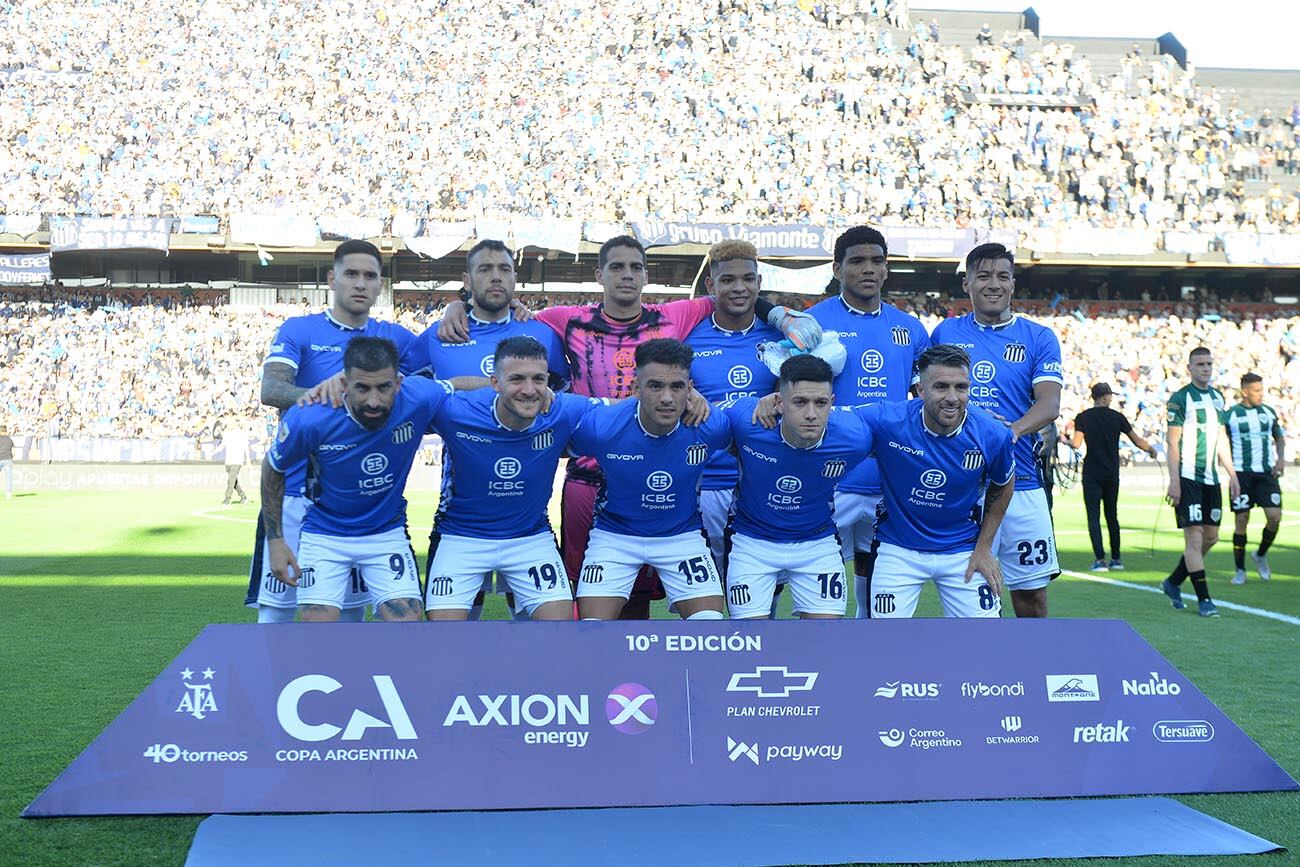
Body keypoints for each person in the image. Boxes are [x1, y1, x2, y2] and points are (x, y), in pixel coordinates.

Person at [437, 235, 821, 619]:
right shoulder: (565, 319)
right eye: (617, 267)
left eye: (636, 267)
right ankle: (587, 673)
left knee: (640, 601)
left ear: (646, 274)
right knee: (580, 603)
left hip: (656, 470)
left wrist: (780, 316)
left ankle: (636, 676)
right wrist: (459, 303)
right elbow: (505, 313)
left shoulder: (673, 316)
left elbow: (737, 293)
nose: (627, 275)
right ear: (599, 274)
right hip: (588, 478)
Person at [248, 239, 416, 623]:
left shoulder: (397, 339)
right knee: (276, 617)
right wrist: (323, 392)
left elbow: (435, 381)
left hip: (354, 506)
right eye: (351, 274)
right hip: (292, 496)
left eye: (370, 276)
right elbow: (271, 390)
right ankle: (271, 686)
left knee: (348, 621)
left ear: (380, 286)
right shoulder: (300, 331)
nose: (360, 283)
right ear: (331, 279)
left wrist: (459, 304)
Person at [406, 239, 569, 620]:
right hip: (461, 510)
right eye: (485, 269)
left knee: (542, 631)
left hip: (528, 516)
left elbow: (563, 398)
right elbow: (405, 394)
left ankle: (533, 683)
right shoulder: (438, 336)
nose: (496, 277)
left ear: (516, 278)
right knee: (453, 632)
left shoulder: (542, 335)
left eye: (504, 269)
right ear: (466, 279)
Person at [261, 337, 446, 622]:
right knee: (317, 630)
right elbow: (274, 467)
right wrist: (275, 540)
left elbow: (462, 386)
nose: (373, 400)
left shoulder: (419, 396)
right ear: (344, 384)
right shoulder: (309, 416)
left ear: (398, 383)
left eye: (383, 387)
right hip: (324, 535)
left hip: (386, 533)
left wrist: (525, 391)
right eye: (362, 388)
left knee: (407, 625)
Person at [420, 336, 600, 621]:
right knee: (444, 639)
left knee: (559, 636)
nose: (529, 390)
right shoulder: (457, 411)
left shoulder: (562, 409)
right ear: (494, 383)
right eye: (517, 379)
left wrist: (687, 400)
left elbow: (626, 409)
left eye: (538, 380)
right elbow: (401, 393)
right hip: (461, 537)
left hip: (530, 536)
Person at [931, 243, 1063, 618]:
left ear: (1012, 284)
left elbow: (1049, 404)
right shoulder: (945, 333)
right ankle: (983, 676)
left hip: (1021, 486)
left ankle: (1035, 672)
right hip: (965, 488)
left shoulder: (1039, 337)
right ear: (967, 283)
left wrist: (1012, 432)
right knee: (975, 601)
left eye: (1003, 276)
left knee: (1031, 598)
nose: (994, 284)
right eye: (984, 276)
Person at [806, 225, 930, 618]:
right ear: (837, 268)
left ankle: (867, 654)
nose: (868, 269)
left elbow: (922, 401)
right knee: (814, 574)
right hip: (831, 477)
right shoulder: (811, 323)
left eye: (877, 261)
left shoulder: (909, 328)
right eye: (857, 261)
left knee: (874, 574)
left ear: (887, 268)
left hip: (887, 479)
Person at [849, 344, 1016, 618]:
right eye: (941, 387)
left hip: (962, 548)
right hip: (898, 548)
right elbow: (829, 419)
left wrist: (984, 548)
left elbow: (1003, 484)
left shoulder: (992, 433)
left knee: (987, 642)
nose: (952, 397)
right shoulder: (888, 420)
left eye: (961, 387)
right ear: (921, 390)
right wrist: (774, 402)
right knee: (882, 642)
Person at [572, 339, 730, 620]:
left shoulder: (710, 425)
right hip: (615, 536)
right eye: (655, 386)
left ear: (690, 389)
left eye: (677, 387)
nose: (667, 398)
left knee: (710, 628)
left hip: (681, 535)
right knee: (591, 630)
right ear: (636, 389)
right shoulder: (602, 425)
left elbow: (749, 440)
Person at [724, 355, 872, 619]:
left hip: (817, 543)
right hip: (752, 543)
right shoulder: (748, 420)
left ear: (833, 405)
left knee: (824, 643)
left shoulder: (855, 437)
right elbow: (696, 415)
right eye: (800, 402)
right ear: (779, 401)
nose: (811, 414)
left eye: (821, 403)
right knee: (750, 642)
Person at [685, 240, 781, 574]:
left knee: (761, 591)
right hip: (705, 482)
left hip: (764, 482)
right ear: (711, 285)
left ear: (759, 282)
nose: (739, 288)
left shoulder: (782, 337)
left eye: (747, 278)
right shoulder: (690, 337)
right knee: (707, 590)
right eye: (728, 280)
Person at [1161, 347, 1241, 617]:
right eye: (1200, 364)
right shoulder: (1180, 398)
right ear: (1190, 368)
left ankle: (1173, 582)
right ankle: (1204, 600)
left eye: (1209, 363)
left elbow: (1221, 439)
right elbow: (1172, 441)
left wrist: (1232, 474)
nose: (1206, 368)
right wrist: (1175, 481)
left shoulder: (1218, 399)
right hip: (1188, 477)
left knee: (1212, 537)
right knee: (1194, 540)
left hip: (1211, 479)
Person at [1071, 382, 1157, 571]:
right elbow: (1137, 440)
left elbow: (1077, 443)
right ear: (1104, 397)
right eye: (1110, 395)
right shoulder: (1117, 417)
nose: (1111, 399)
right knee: (1112, 516)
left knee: (1093, 517)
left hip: (1092, 472)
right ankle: (1116, 559)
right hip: (1111, 473)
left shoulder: (1083, 417)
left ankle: (1100, 559)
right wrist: (1151, 450)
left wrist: (1065, 441)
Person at [1226, 373, 1286, 584]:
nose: (1261, 395)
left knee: (1274, 517)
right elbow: (1222, 444)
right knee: (1241, 520)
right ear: (1244, 392)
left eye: (1262, 390)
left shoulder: (1268, 413)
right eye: (1257, 391)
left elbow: (1279, 437)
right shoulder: (1231, 415)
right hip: (1241, 475)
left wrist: (1280, 460)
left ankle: (1260, 554)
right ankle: (1240, 570)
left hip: (1266, 474)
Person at [219, 418, 251, 505]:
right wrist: (214, 451)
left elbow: (246, 448)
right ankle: (243, 497)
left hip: (237, 460)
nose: (227, 426)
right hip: (228, 461)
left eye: (229, 424)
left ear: (234, 424)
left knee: (231, 480)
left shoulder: (242, 434)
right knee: (233, 481)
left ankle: (227, 499)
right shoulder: (227, 434)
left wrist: (248, 461)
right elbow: (222, 445)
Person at [0, 425, 13, 498]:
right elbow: (14, 452)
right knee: (9, 477)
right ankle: (8, 493)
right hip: (7, 459)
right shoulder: (10, 440)